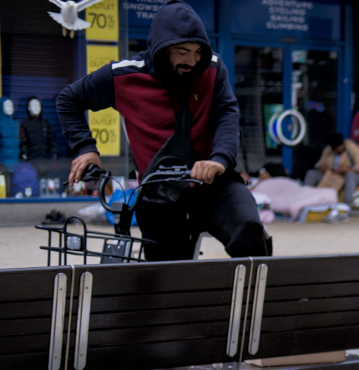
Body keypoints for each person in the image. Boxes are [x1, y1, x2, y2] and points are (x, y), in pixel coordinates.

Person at [57, 0, 271, 261]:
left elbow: (227, 113)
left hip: (213, 184)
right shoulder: (124, 76)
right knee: (167, 274)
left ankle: (259, 297)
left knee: (248, 228)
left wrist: (220, 160)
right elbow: (69, 99)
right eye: (182, 51)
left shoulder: (212, 68)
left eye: (197, 51)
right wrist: (86, 149)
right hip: (159, 193)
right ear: (162, 48)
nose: (192, 60)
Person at [306, 132, 359, 203]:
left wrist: (344, 170)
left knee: (350, 175)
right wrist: (328, 171)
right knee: (311, 173)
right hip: (332, 176)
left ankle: (347, 204)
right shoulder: (329, 149)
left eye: (338, 148)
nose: (336, 151)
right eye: (334, 149)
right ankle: (306, 200)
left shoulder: (352, 148)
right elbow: (319, 165)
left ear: (343, 144)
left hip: (347, 176)